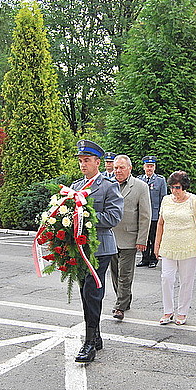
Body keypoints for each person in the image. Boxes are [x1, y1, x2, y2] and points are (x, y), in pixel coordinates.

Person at [71, 141, 124, 363]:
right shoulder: (76, 186)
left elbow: (114, 217)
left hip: (100, 248)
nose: (83, 165)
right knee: (85, 292)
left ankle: (89, 343)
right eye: (80, 161)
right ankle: (96, 335)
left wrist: (87, 217)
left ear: (97, 162)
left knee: (92, 292)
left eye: (87, 160)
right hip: (79, 248)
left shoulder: (108, 186)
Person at [154, 171, 196, 326]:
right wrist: (157, 245)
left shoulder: (194, 200)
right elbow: (160, 223)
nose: (174, 191)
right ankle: (168, 311)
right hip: (168, 245)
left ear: (184, 187)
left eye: (177, 187)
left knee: (186, 280)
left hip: (188, 246)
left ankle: (182, 312)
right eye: (172, 187)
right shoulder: (166, 200)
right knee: (166, 278)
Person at [110, 155, 152, 321]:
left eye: (121, 167)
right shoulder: (108, 184)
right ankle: (124, 300)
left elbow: (145, 215)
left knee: (125, 274)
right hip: (110, 237)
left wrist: (142, 239)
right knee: (115, 273)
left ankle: (120, 306)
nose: (118, 171)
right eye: (116, 168)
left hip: (130, 237)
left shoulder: (140, 186)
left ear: (130, 168)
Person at [137, 156, 167, 268]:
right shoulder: (139, 180)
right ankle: (144, 258)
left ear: (155, 167)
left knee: (154, 238)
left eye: (152, 166)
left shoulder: (160, 180)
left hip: (155, 214)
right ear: (144, 167)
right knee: (143, 237)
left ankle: (153, 259)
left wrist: (161, 214)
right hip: (142, 214)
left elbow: (163, 198)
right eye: (147, 166)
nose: (149, 168)